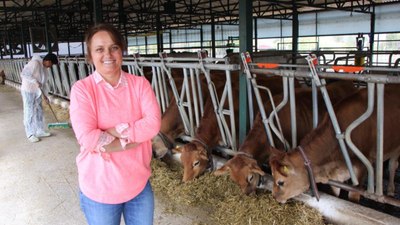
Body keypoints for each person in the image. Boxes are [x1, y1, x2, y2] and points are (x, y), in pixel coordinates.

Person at [69, 23, 161, 225]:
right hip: (99, 190)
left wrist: (112, 131)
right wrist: (129, 140)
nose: (108, 54)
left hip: (138, 185)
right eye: (99, 49)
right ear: (90, 56)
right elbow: (87, 137)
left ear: (122, 50)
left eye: (114, 47)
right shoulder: (82, 90)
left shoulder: (140, 84)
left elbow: (153, 125)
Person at [20, 53, 58, 143]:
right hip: (28, 90)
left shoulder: (44, 69)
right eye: (51, 64)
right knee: (29, 111)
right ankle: (30, 134)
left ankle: (40, 130)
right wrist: (34, 81)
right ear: (48, 61)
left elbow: (43, 83)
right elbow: (24, 74)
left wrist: (45, 95)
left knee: (39, 110)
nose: (51, 66)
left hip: (37, 91)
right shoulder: (35, 63)